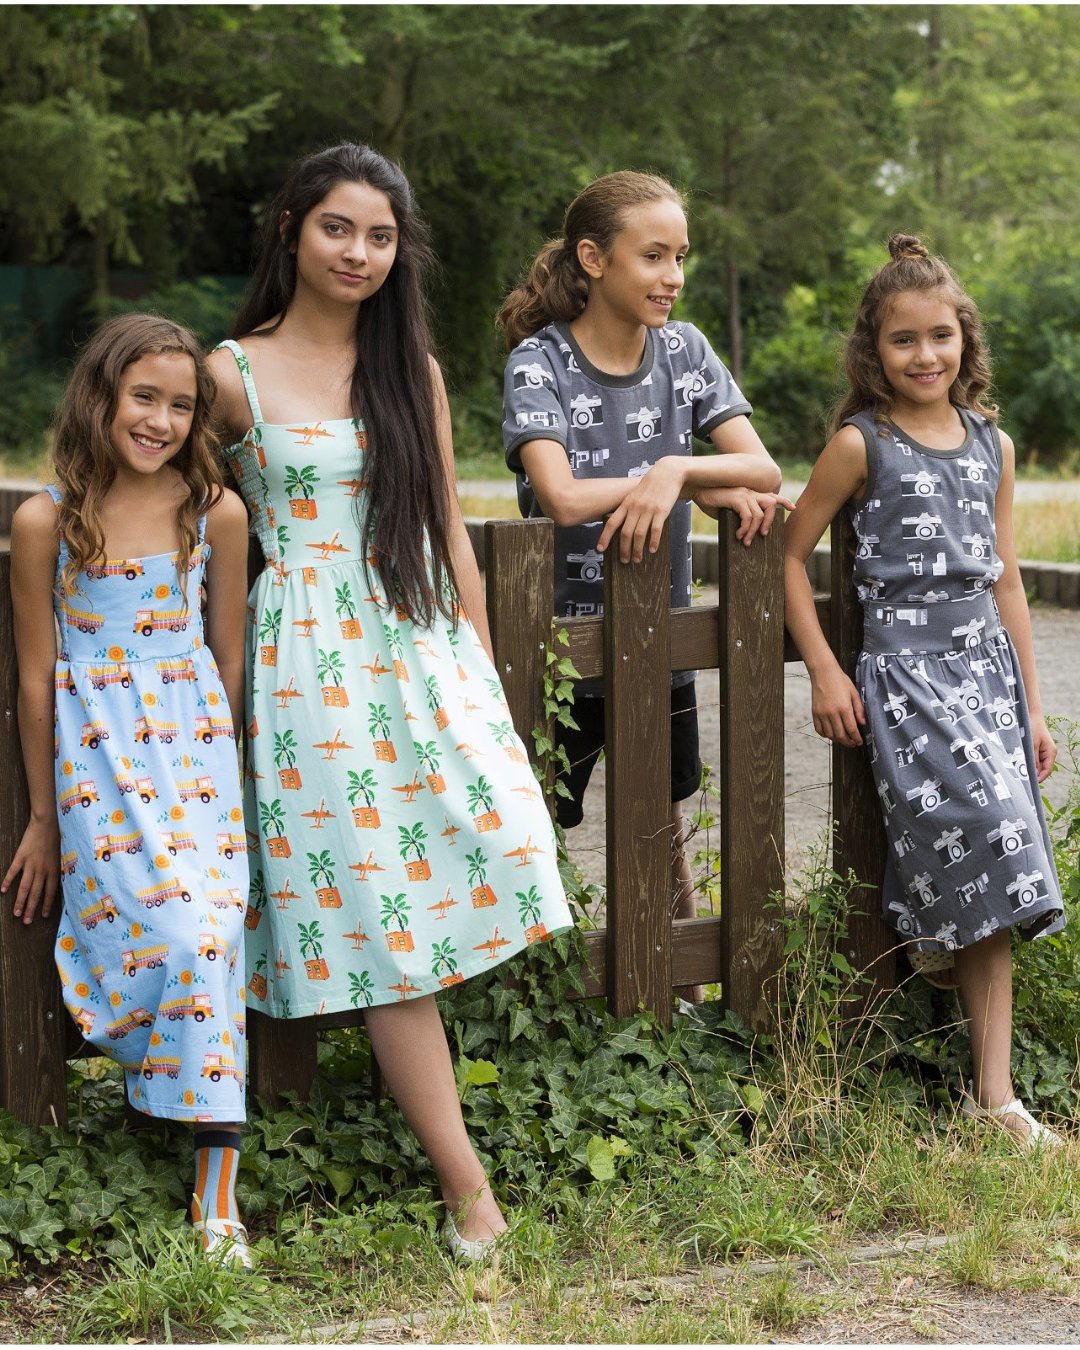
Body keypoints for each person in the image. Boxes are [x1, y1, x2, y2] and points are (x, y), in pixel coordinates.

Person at [207, 142, 573, 1260]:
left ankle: (466, 1182)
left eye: (379, 235)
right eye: (337, 228)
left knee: (509, 840)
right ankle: (470, 1197)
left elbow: (448, 531)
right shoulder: (229, 373)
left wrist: (483, 680)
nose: (358, 252)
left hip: (415, 644)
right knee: (380, 919)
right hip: (303, 664)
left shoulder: (409, 368)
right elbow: (190, 525)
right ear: (292, 230)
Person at [784, 234, 1065, 1147]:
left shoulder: (993, 444)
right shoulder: (859, 445)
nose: (924, 355)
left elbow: (1007, 580)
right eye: (903, 340)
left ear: (964, 338)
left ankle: (994, 1095)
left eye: (940, 336)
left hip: (986, 672)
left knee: (1000, 848)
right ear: (875, 350)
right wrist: (826, 668)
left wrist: (1031, 707)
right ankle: (940, 956)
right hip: (907, 678)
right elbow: (791, 559)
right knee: (989, 830)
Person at [497, 170, 790, 1002]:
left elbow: (763, 469)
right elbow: (560, 496)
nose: (673, 277)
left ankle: (681, 1001)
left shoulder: (686, 353)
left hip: (659, 638)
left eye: (681, 257)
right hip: (554, 649)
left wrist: (680, 471)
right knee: (534, 829)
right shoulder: (540, 361)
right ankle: (540, 1004)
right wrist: (676, 478)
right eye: (653, 256)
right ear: (593, 259)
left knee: (659, 823)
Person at [3, 314, 255, 1261]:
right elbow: (36, 681)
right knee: (176, 935)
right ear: (100, 397)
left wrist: (224, 784)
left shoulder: (214, 512)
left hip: (194, 760)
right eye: (143, 397)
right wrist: (43, 818)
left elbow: (226, 661)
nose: (160, 420)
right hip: (98, 765)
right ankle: (165, 1111)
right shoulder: (46, 522)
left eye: (182, 406)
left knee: (213, 936)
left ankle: (217, 1200)